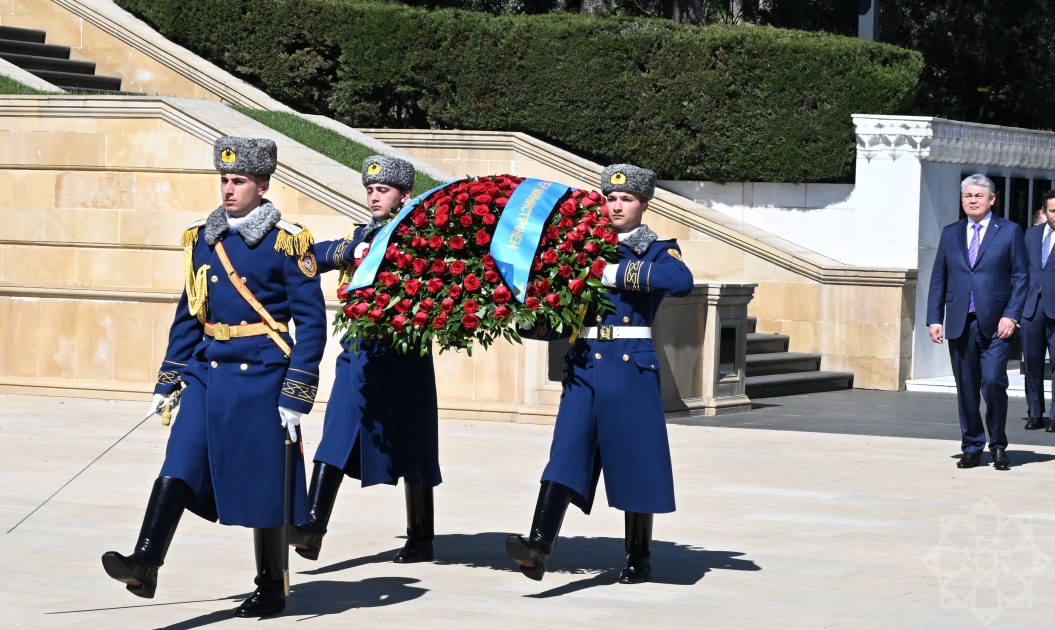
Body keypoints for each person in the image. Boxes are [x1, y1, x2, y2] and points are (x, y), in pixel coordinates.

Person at [101, 137, 328, 617]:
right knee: (179, 459)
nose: (228, 189)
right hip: (208, 370)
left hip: (263, 373)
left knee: (266, 481)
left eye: (239, 181)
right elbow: (189, 313)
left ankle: (271, 586)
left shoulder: (287, 240)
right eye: (224, 179)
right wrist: (167, 381)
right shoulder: (202, 238)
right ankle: (145, 562)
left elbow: (311, 323)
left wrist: (297, 391)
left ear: (262, 185)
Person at [505, 164, 694, 583]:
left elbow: (680, 281)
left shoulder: (658, 249)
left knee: (634, 462)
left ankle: (637, 557)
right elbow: (561, 308)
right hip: (585, 361)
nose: (616, 206)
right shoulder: (583, 248)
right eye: (611, 198)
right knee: (566, 452)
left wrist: (613, 273)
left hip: (631, 363)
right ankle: (538, 546)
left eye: (626, 199)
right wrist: (529, 318)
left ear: (643, 204)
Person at [289, 156, 441, 564]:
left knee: (414, 443)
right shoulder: (360, 235)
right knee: (337, 431)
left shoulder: (423, 240)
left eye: (383, 190)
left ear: (404, 196)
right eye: (370, 189)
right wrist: (348, 251)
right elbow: (307, 258)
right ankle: (311, 527)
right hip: (358, 353)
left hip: (403, 354)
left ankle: (421, 538)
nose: (374, 196)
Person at [926, 174, 1027, 470]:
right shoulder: (950, 233)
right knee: (966, 388)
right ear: (962, 199)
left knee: (994, 382)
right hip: (960, 322)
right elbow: (938, 279)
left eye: (978, 195)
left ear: (992, 199)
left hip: (997, 324)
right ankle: (972, 445)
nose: (972, 200)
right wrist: (935, 318)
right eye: (967, 195)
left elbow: (1021, 277)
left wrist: (1012, 314)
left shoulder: (1009, 232)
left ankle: (998, 445)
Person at [1021, 190, 1055, 431]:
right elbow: (1020, 272)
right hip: (1031, 309)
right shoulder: (1031, 235)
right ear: (1044, 212)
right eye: (1053, 211)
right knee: (1032, 363)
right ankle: (1035, 412)